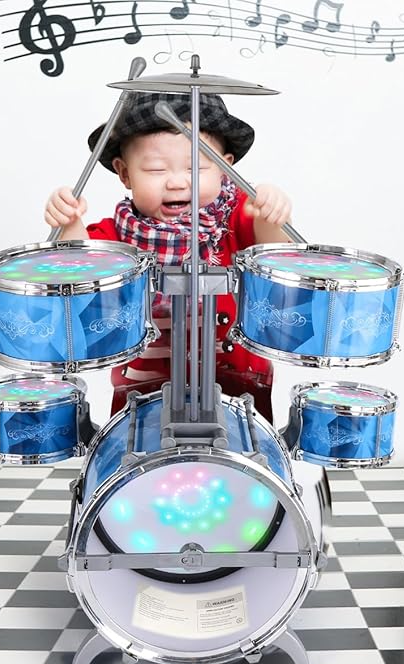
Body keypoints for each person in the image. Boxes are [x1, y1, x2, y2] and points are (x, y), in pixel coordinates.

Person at [44, 92, 291, 422]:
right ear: (124, 173)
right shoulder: (115, 236)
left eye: (196, 167)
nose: (176, 182)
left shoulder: (236, 219)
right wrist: (68, 223)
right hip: (141, 400)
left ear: (225, 168)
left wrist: (271, 213)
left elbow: (275, 254)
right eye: (155, 169)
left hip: (239, 393)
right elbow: (78, 272)